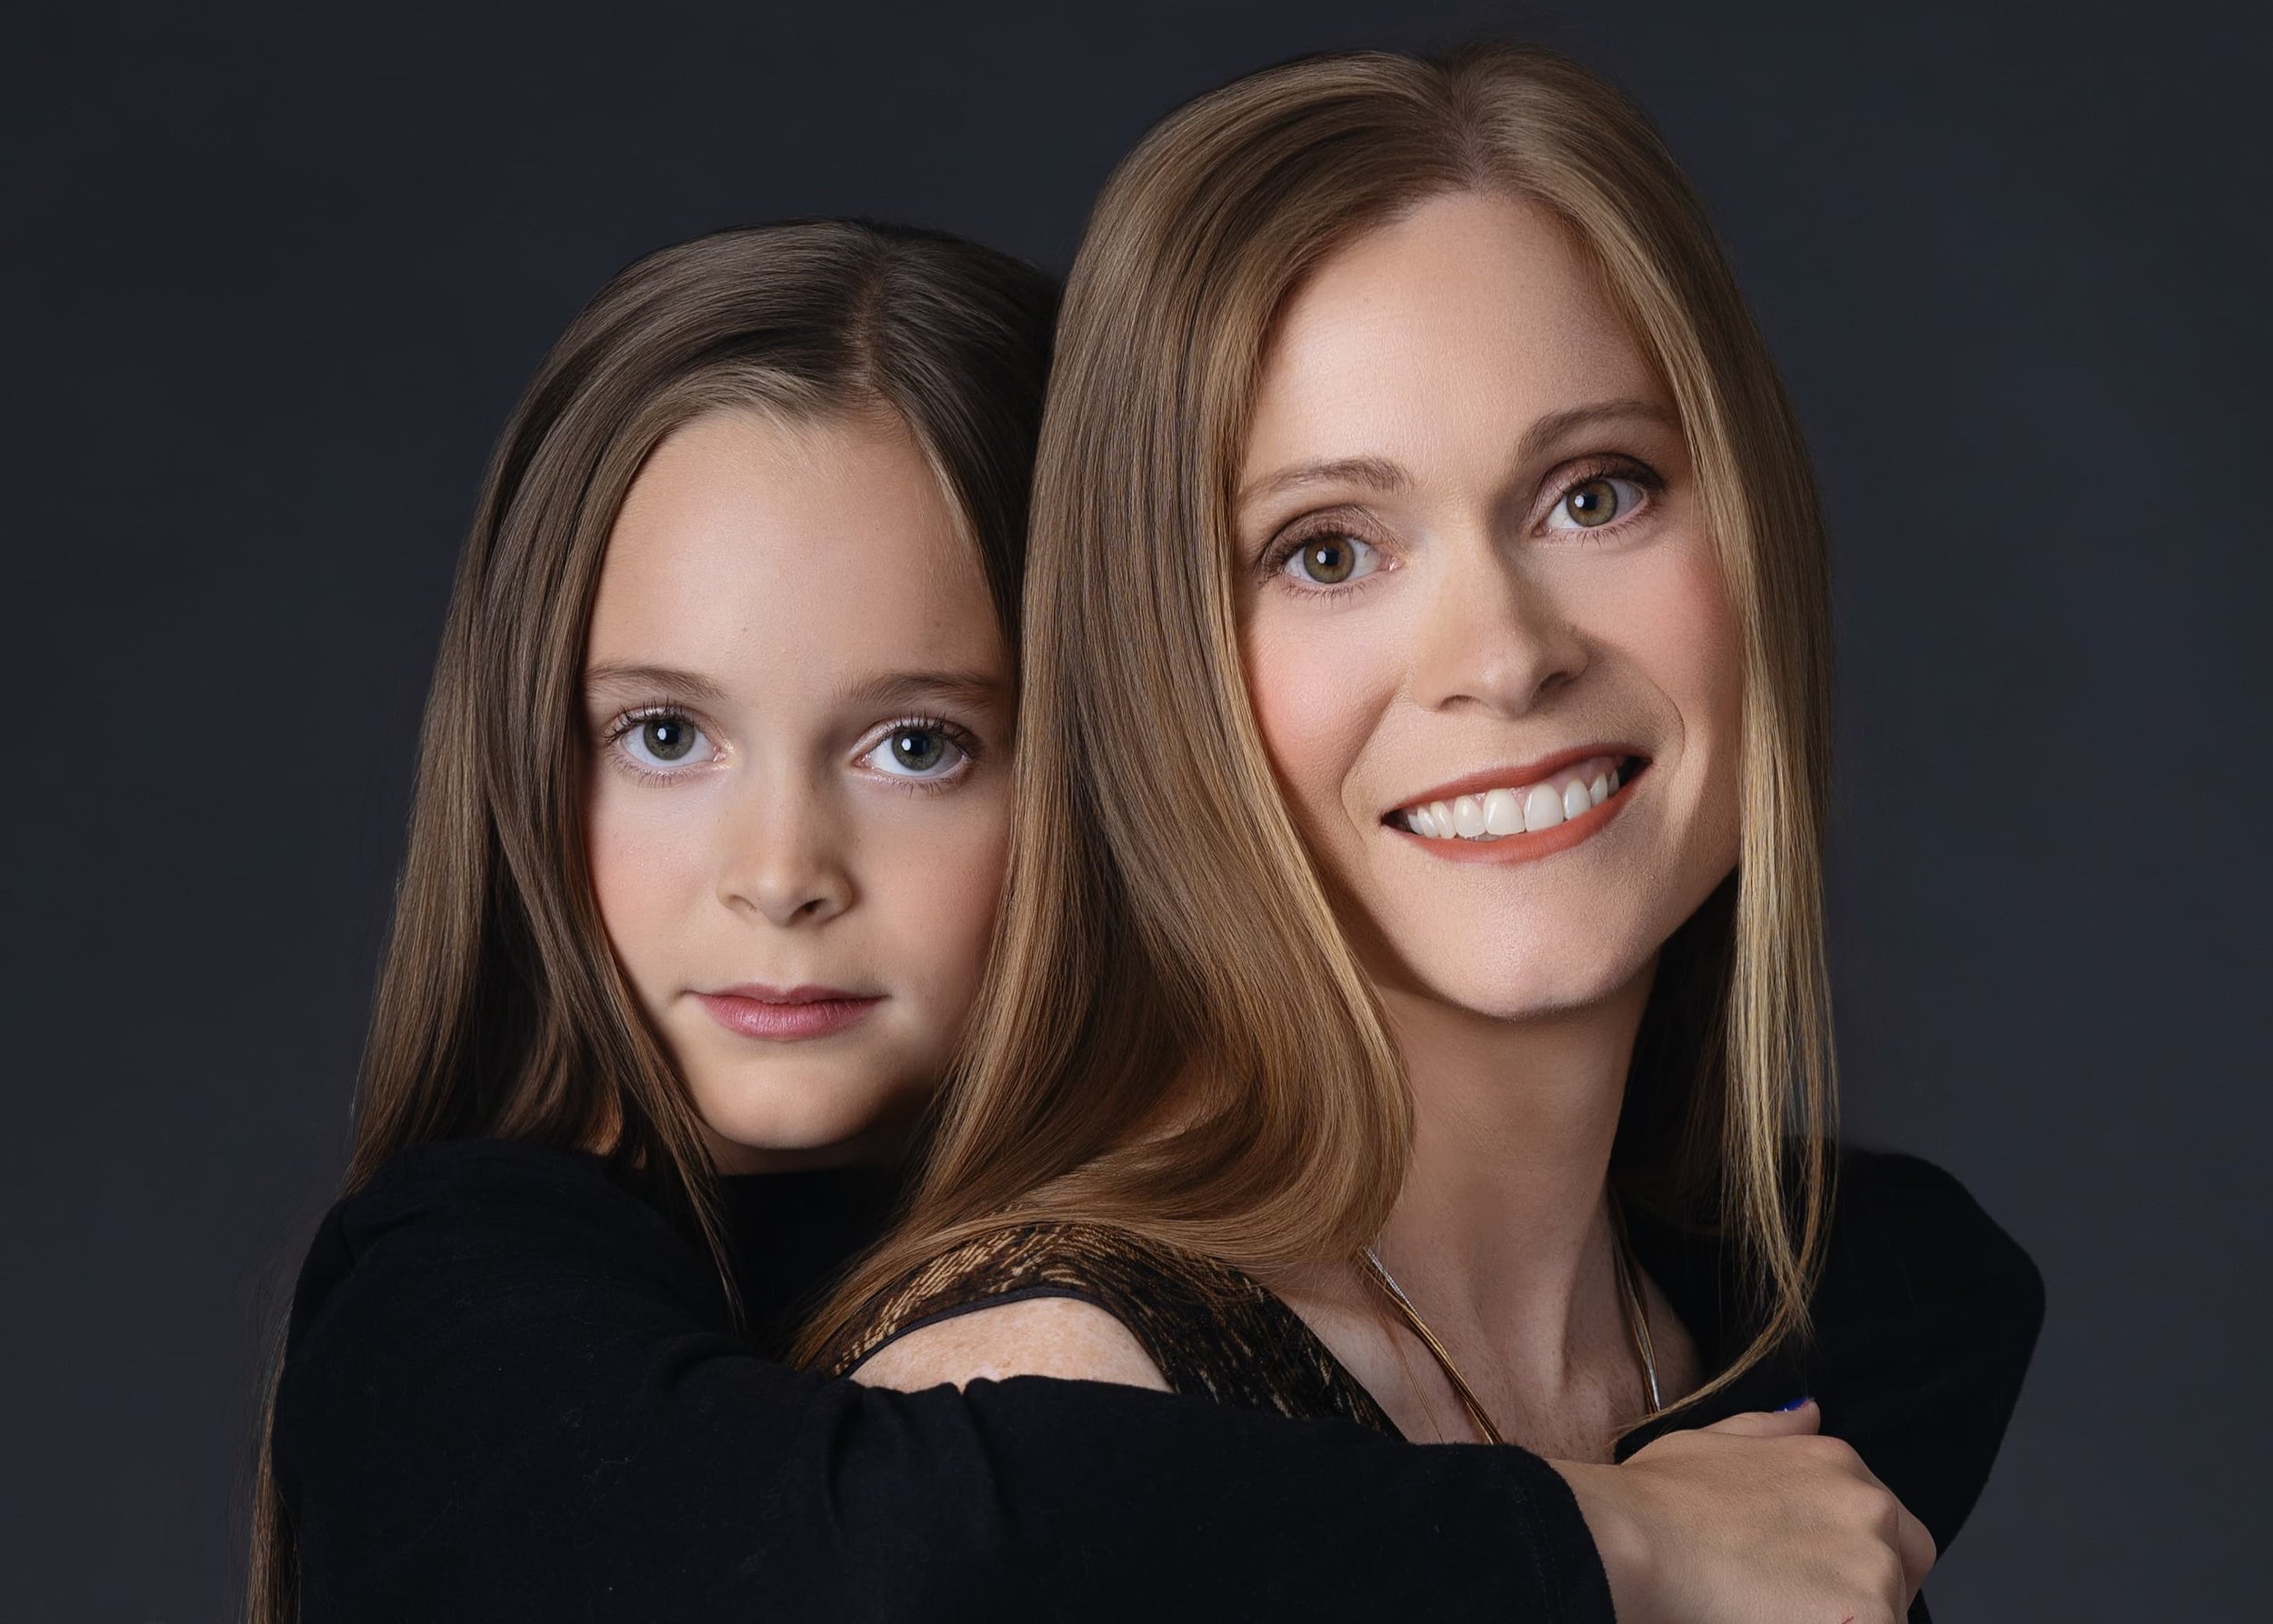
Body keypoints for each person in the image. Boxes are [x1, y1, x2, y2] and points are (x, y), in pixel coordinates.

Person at [255, 215, 1896, 1624]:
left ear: (1130, 753)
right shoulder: (459, 1284)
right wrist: (1608, 1539)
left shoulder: (1319, 1256)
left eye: (919, 745)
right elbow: (920, 1553)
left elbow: (1908, 1286)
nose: (779, 870)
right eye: (666, 735)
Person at [806, 45, 2043, 1624]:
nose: (1505, 654)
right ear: (1158, 664)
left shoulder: (1757, 1333)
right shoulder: (1043, 1398)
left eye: (1595, 494)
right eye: (1328, 549)